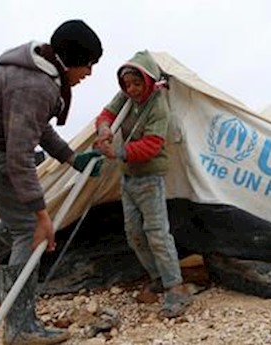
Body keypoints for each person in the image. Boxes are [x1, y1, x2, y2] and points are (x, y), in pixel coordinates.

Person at [0, 19, 103, 345]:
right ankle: (20, 326)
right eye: (88, 65)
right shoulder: (34, 85)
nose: (89, 73)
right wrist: (42, 217)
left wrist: (71, 157)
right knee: (29, 227)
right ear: (70, 59)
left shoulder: (41, 75)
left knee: (17, 220)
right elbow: (19, 159)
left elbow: (38, 128)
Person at [93, 51, 193, 318]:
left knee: (157, 233)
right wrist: (104, 130)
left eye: (137, 83)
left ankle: (176, 287)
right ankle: (157, 277)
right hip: (129, 177)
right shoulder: (126, 96)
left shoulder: (158, 105)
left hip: (150, 177)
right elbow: (106, 114)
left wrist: (118, 152)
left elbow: (152, 145)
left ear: (148, 80)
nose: (132, 89)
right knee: (134, 234)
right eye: (127, 84)